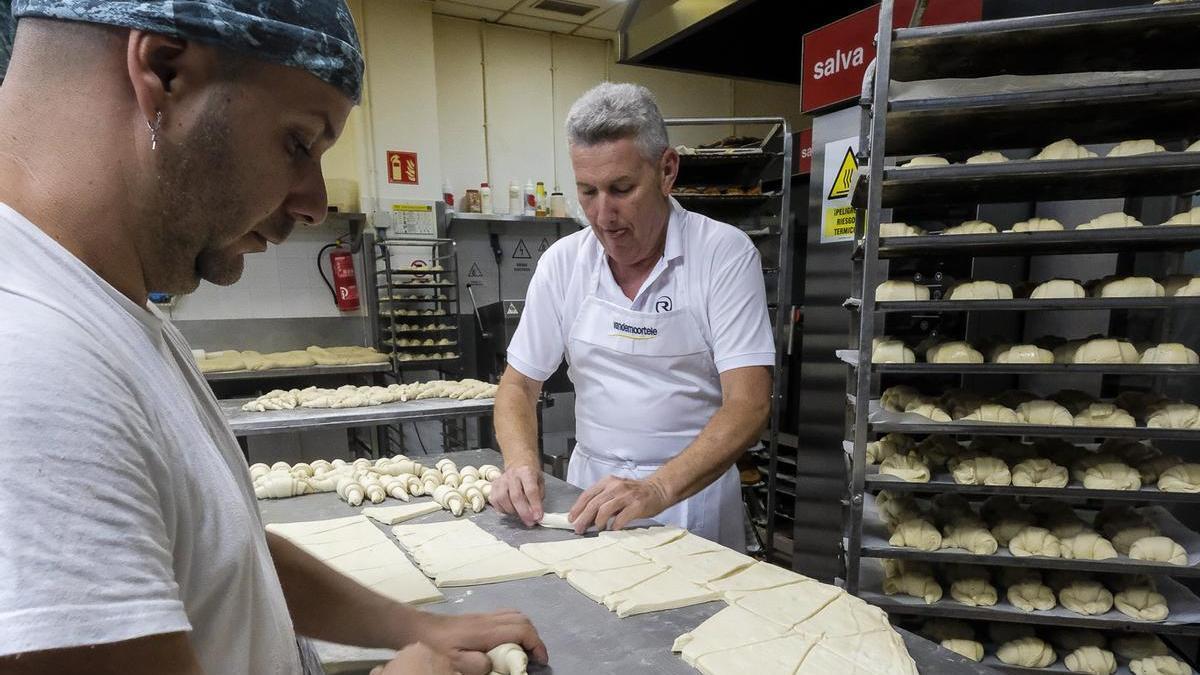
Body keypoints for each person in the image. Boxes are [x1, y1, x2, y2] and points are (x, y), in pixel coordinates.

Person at [0, 3, 544, 675]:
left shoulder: (107, 309)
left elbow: (227, 556)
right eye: (299, 142)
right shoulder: (35, 368)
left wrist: (418, 625)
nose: (315, 201)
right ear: (165, 70)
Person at [489, 83, 774, 550]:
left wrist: (658, 489)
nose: (603, 215)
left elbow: (748, 404)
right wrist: (520, 463)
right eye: (587, 191)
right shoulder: (563, 264)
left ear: (666, 170)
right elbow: (518, 385)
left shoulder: (722, 255)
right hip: (588, 498)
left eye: (621, 189)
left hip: (690, 499)